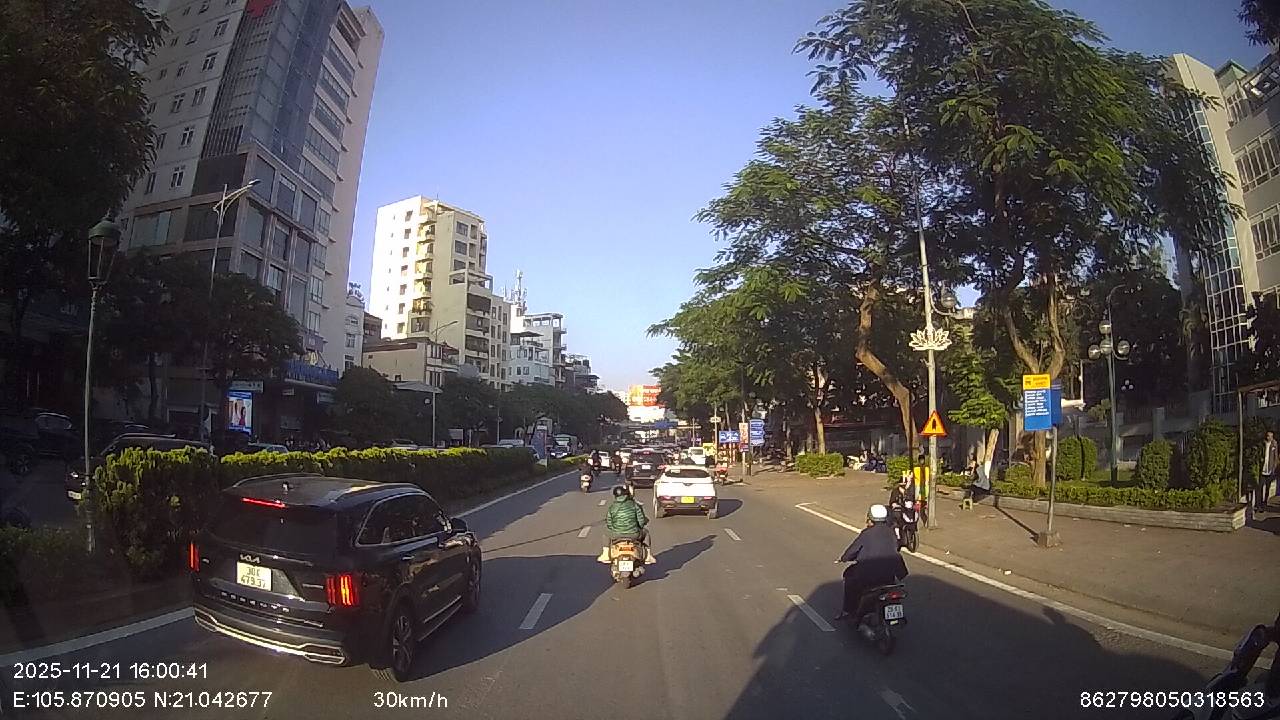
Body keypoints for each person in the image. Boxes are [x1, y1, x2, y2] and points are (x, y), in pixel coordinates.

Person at [834, 504, 908, 621]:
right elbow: (895, 549)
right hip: (889, 574)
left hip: (868, 576)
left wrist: (843, 558)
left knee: (849, 577)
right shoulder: (891, 532)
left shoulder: (866, 533)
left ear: (870, 518)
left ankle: (849, 611)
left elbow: (853, 550)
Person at [599, 485, 657, 565]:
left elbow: (609, 523)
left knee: (606, 533)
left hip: (616, 535)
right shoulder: (634, 505)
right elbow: (641, 521)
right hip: (634, 535)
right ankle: (648, 556)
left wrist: (615, 530)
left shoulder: (612, 507)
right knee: (646, 533)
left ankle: (605, 555)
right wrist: (639, 527)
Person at [1259, 430, 1278, 512]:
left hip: (1270, 470)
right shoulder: (1263, 444)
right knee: (1260, 486)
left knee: (1267, 487)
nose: (1268, 437)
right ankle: (1259, 504)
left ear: (1272, 437)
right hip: (1263, 468)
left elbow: (1275, 457)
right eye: (1267, 436)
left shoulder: (1274, 444)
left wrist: (1274, 468)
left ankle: (1265, 502)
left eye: (1270, 436)